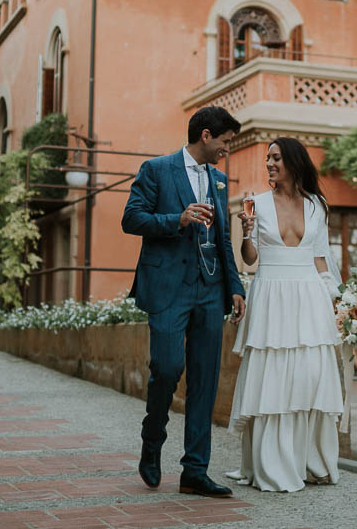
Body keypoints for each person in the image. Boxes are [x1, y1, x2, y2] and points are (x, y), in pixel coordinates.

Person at [121, 106, 247, 498]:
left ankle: (195, 470)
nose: (228, 149)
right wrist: (178, 219)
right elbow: (131, 219)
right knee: (168, 365)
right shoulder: (156, 169)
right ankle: (153, 436)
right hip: (168, 288)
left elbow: (224, 237)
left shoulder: (220, 180)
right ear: (206, 136)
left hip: (210, 289)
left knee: (206, 380)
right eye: (226, 141)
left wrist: (235, 286)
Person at [227, 136, 343, 492]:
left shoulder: (317, 205)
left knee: (310, 373)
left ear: (293, 162)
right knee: (273, 377)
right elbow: (249, 258)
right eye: (268, 159)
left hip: (310, 294)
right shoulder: (256, 204)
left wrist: (334, 298)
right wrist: (246, 234)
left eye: (276, 158)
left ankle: (312, 460)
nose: (270, 164)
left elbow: (320, 256)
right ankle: (273, 465)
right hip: (271, 292)